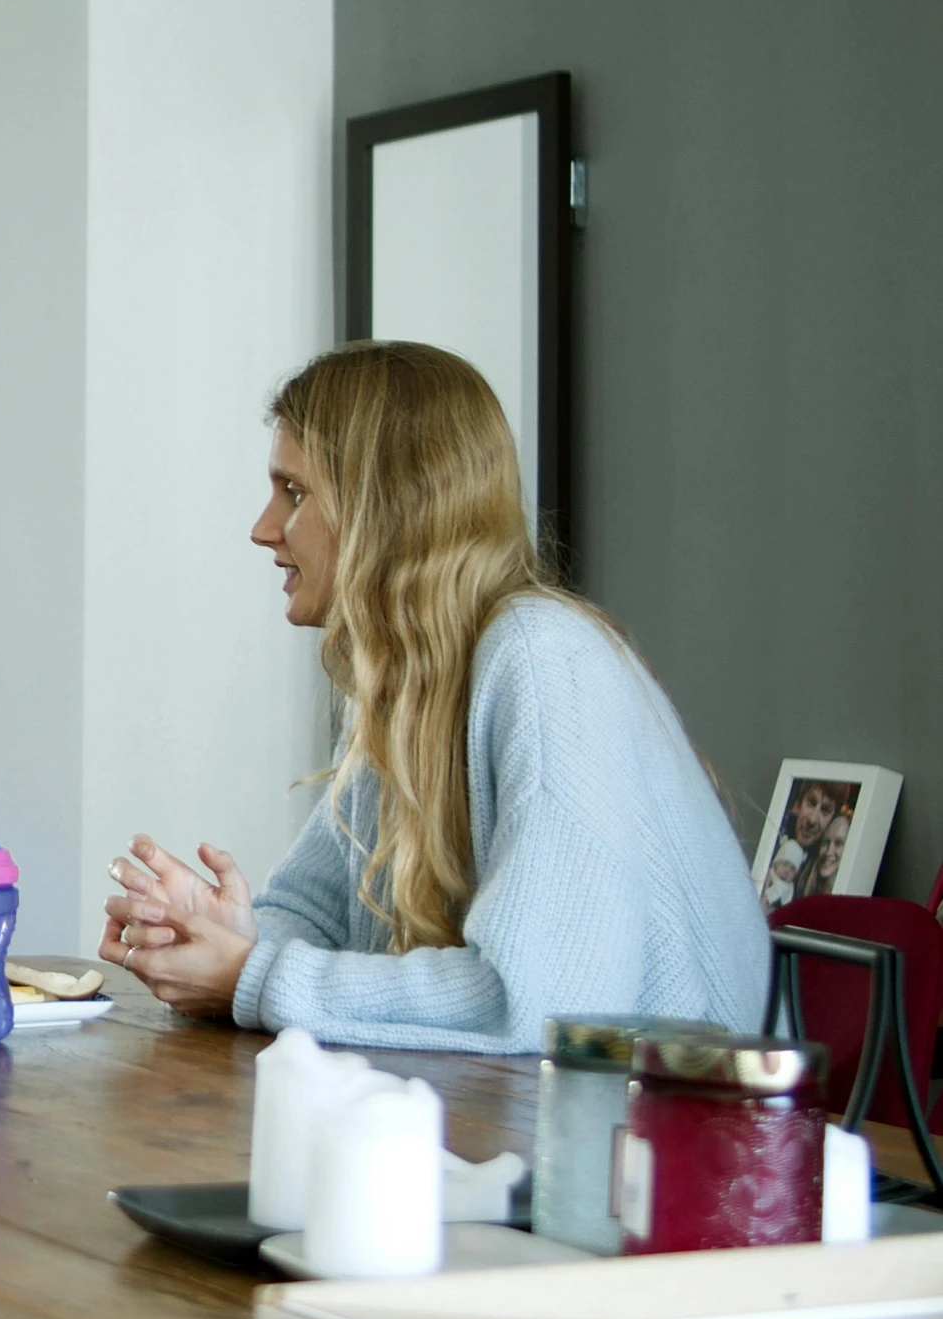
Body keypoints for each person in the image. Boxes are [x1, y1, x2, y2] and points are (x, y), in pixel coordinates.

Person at [98, 341, 766, 1053]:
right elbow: (311, 914)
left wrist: (252, 974)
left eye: (294, 492)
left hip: (675, 1143)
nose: (265, 528)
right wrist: (223, 935)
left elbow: (538, 1002)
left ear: (386, 506)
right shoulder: (403, 681)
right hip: (523, 1116)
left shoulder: (544, 659)